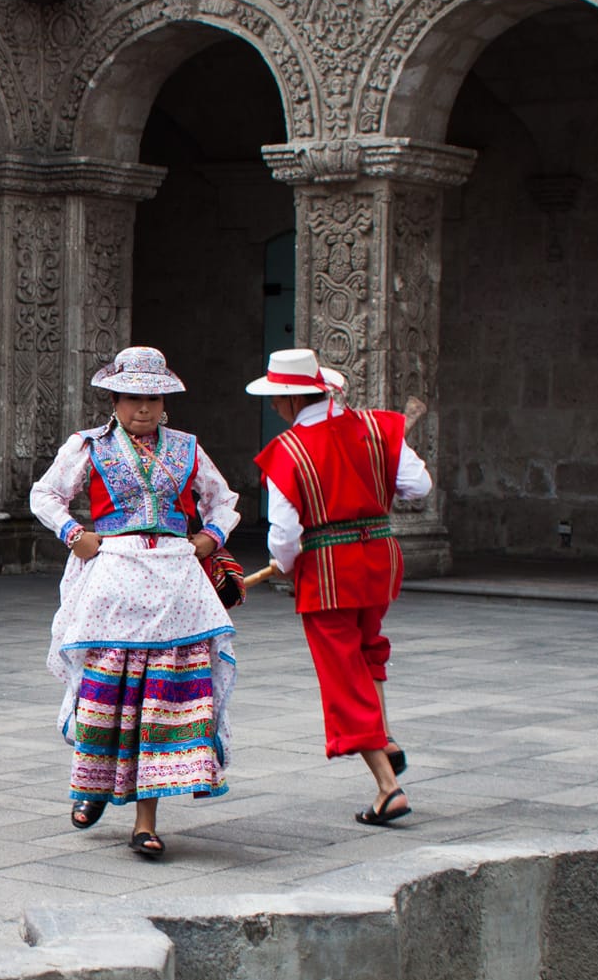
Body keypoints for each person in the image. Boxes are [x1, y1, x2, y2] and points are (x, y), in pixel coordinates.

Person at [28, 346, 241, 859]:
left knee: (161, 701)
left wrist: (209, 538)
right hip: (115, 579)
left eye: (152, 398)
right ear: (115, 399)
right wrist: (73, 533)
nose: (143, 409)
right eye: (132, 398)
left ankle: (146, 820)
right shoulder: (89, 446)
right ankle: (91, 786)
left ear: (164, 402)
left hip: (175, 583)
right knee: (105, 692)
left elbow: (224, 499)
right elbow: (45, 494)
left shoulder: (188, 448)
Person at [247, 347, 431, 827]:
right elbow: (419, 487)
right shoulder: (378, 428)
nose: (273, 409)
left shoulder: (286, 453)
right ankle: (385, 740)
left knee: (342, 675)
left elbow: (284, 537)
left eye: (275, 400)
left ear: (290, 401)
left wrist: (283, 564)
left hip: (329, 570)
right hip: (381, 560)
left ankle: (388, 788)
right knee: (370, 651)